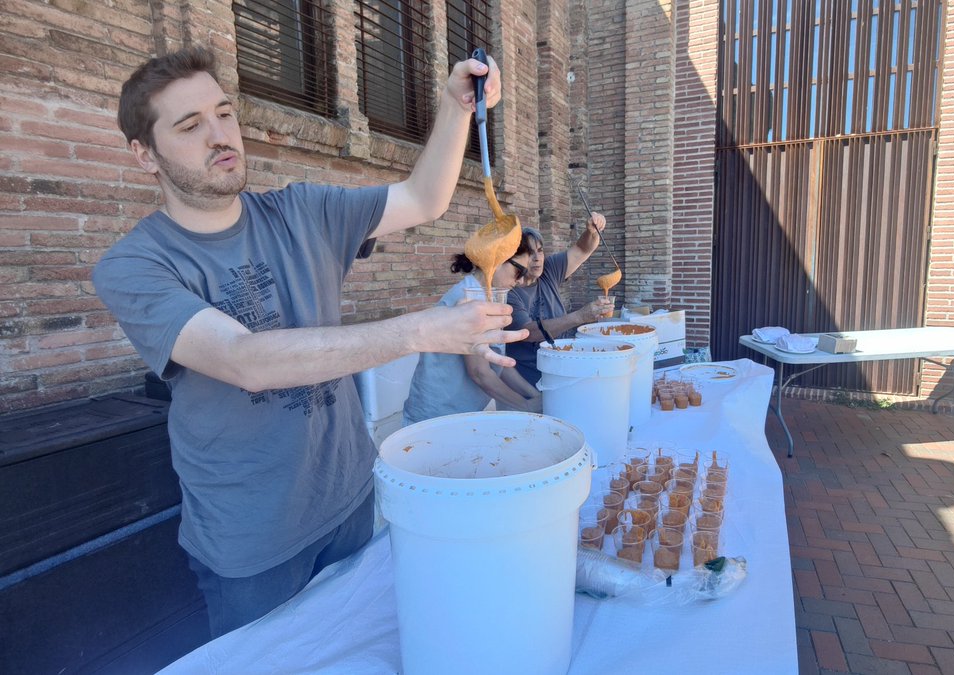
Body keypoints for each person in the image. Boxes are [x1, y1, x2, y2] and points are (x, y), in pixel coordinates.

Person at [91, 46, 524, 638]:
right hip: (252, 542)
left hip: (350, 499)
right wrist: (421, 330)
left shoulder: (302, 211)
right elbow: (243, 360)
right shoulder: (134, 265)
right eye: (190, 126)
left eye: (224, 114)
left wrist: (454, 106)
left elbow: (425, 199)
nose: (221, 136)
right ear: (145, 155)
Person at [403, 245, 542, 424]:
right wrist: (526, 406)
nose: (521, 281)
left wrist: (534, 396)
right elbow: (479, 373)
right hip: (437, 418)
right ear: (497, 260)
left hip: (459, 413)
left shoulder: (490, 293)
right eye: (519, 271)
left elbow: (496, 360)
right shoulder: (470, 299)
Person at [505, 213, 616, 385]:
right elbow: (528, 332)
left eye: (540, 251)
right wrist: (580, 316)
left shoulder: (548, 270)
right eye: (529, 253)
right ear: (515, 257)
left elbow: (583, 249)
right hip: (528, 382)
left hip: (561, 368)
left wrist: (592, 232)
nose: (537, 258)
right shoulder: (508, 291)